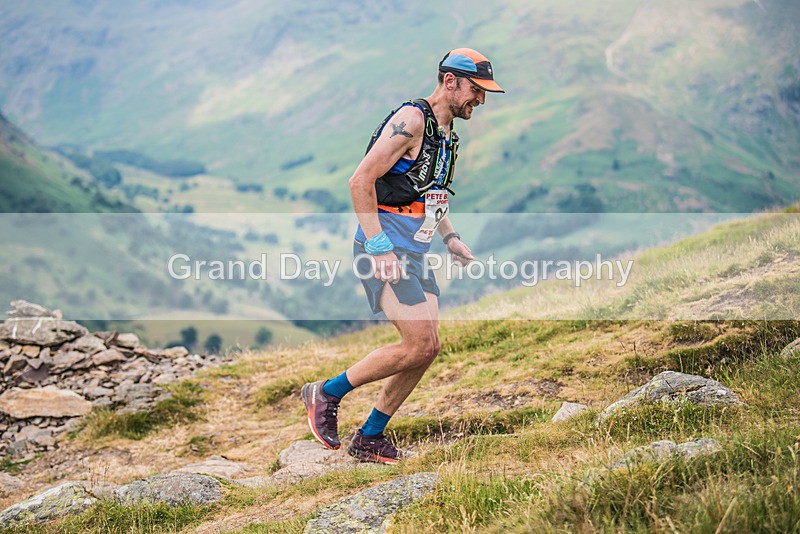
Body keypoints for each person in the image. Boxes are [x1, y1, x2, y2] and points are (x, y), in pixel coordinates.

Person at [302, 48, 505, 464]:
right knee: (417, 343)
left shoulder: (446, 133)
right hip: (383, 246)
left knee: (428, 348)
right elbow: (360, 180)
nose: (481, 100)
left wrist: (450, 238)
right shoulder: (412, 120)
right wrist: (379, 248)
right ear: (450, 81)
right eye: (476, 89)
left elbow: (432, 195)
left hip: (415, 249)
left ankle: (370, 437)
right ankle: (326, 392)